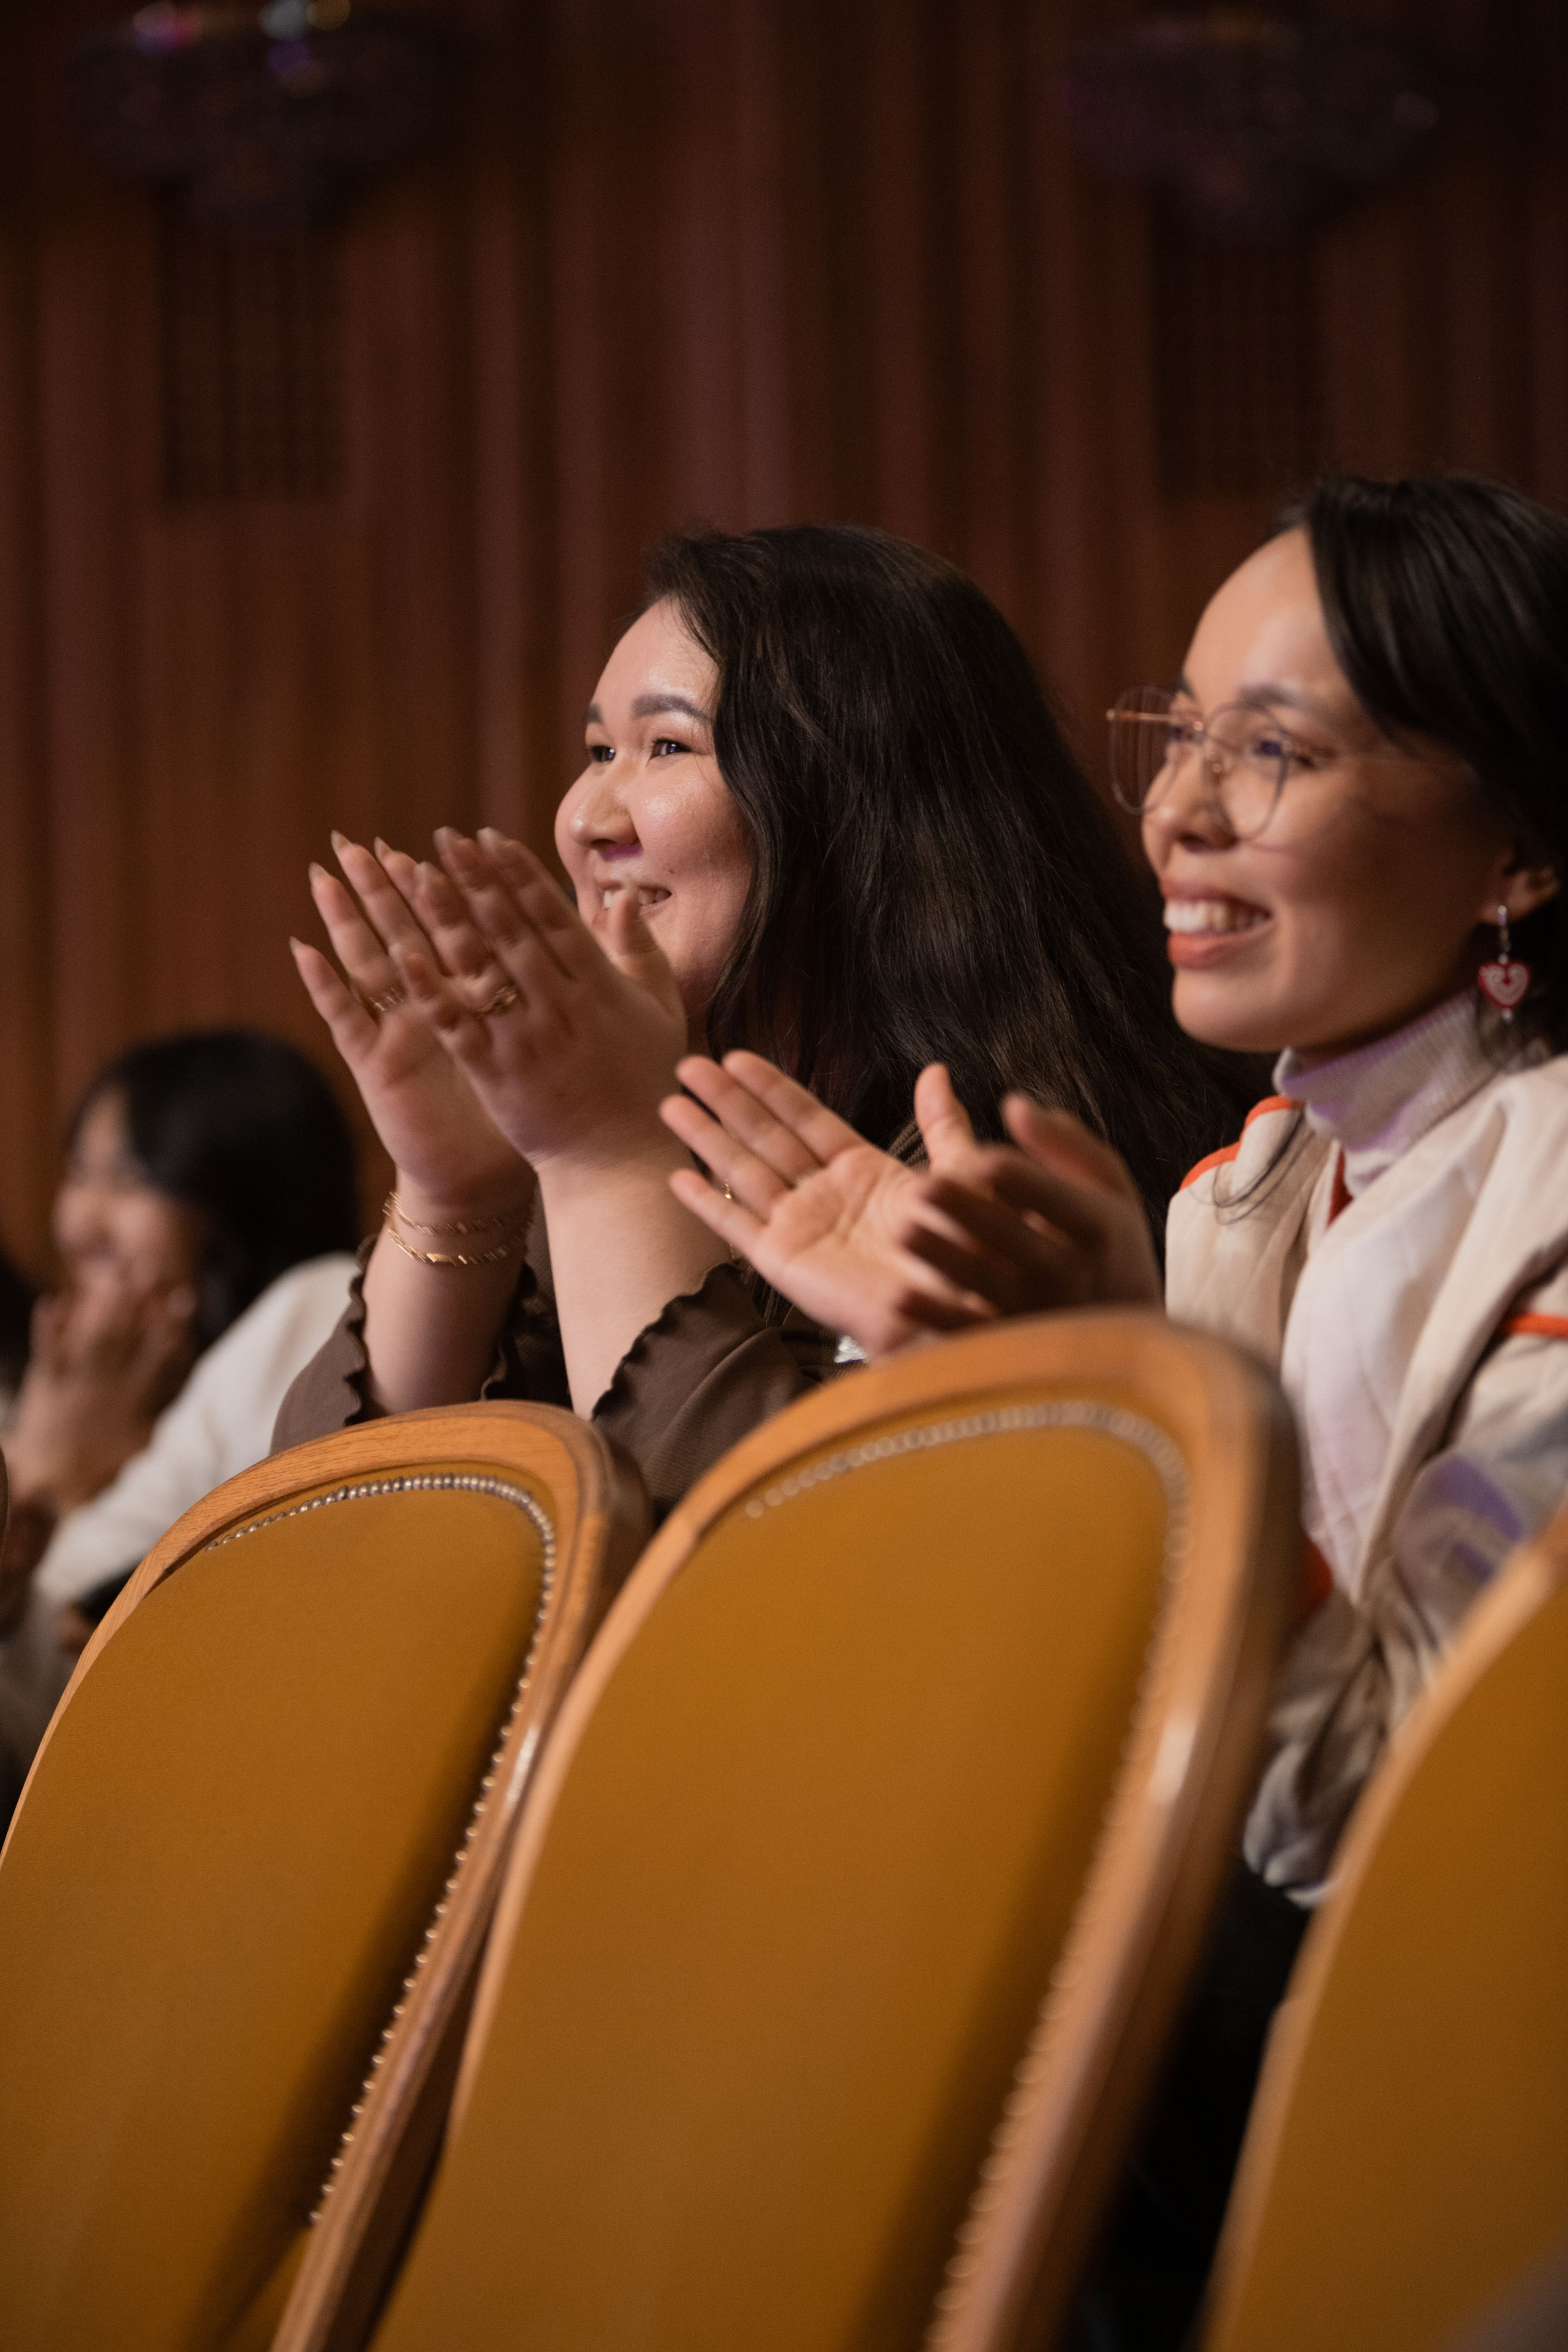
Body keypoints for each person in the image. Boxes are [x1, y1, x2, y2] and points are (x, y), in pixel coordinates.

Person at [660, 473, 1568, 2344]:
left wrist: (1138, 1398)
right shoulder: (1243, 1180)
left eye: (1274, 750)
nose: (1174, 811)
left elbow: (1373, 1836)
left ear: (1517, 852)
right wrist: (967, 1367)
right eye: (1176, 731)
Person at [275, 523, 1254, 1512]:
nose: (584, 816)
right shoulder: (640, 1116)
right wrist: (457, 1193)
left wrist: (608, 1162)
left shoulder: (1011, 1152)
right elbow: (323, 1543)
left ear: (857, 802)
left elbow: (772, 1573)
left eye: (665, 747)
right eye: (597, 749)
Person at [0, 1030, 360, 1796]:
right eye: (79, 1174)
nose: (81, 1222)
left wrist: (51, 1478)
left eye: (129, 1181)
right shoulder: (61, 1375)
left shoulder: (318, 1317)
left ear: (243, 1200)